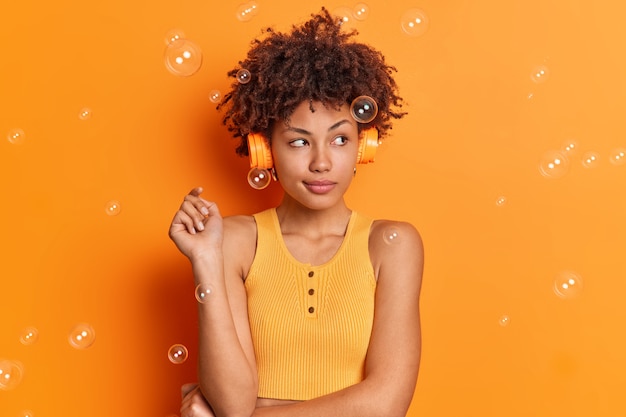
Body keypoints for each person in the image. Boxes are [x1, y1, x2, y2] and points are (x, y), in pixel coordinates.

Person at [168, 8, 424, 417]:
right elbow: (233, 402)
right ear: (265, 149)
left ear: (363, 145)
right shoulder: (233, 242)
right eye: (299, 142)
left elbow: (385, 405)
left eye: (340, 139)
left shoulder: (391, 245)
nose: (322, 162)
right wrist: (204, 260)